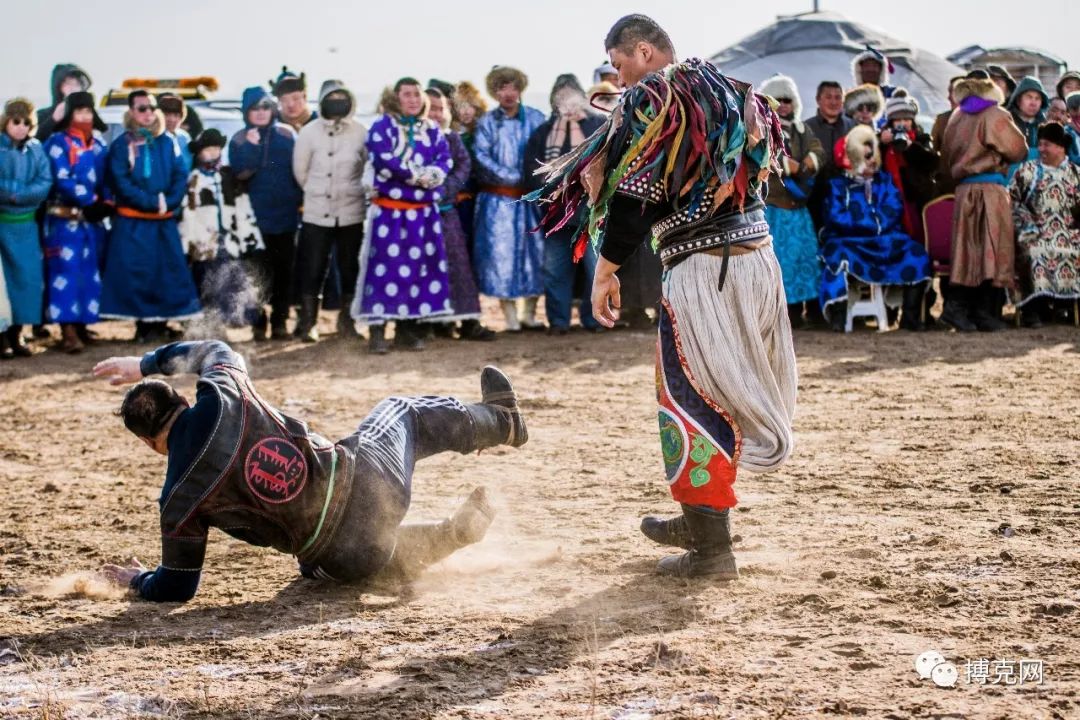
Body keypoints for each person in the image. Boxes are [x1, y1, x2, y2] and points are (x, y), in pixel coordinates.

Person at [528, 14, 796, 579]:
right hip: (754, 260)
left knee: (690, 396)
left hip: (706, 271)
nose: (617, 78)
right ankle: (701, 516)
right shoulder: (726, 88)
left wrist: (605, 271)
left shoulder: (657, 97)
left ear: (645, 51)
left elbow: (636, 194)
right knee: (715, 390)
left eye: (619, 64)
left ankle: (710, 544)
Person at [93, 340, 528, 601]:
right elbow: (213, 349)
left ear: (150, 444)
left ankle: (454, 534)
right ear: (183, 402)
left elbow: (178, 585)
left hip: (334, 557)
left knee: (364, 557)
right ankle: (502, 423)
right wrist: (146, 363)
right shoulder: (225, 391)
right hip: (366, 484)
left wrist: (139, 580)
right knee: (402, 412)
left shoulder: (177, 497)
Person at [354, 78, 453, 353]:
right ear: (396, 98)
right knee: (383, 271)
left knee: (418, 271)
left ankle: (407, 331)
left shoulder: (432, 129)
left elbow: (444, 159)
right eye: (406, 94)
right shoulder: (382, 127)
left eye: (416, 94)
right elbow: (384, 160)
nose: (412, 99)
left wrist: (431, 176)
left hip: (423, 215)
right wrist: (415, 175)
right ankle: (377, 332)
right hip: (389, 213)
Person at [101, 91, 200, 342]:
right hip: (133, 222)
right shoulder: (123, 144)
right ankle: (143, 327)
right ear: (132, 111)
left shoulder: (168, 141)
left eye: (151, 107)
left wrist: (168, 201)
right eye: (141, 108)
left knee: (167, 272)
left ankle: (162, 323)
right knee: (137, 274)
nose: (147, 113)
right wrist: (149, 202)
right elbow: (120, 181)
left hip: (163, 221)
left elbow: (180, 174)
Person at [818, 126, 931, 331]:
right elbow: (836, 217)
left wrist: (876, 226)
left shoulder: (884, 181)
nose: (872, 160)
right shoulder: (838, 186)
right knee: (836, 258)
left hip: (885, 241)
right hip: (850, 243)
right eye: (866, 155)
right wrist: (870, 226)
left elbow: (893, 209)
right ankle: (839, 317)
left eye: (874, 154)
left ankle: (910, 318)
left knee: (917, 254)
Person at [940, 74, 1028, 332]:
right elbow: (1017, 149)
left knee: (969, 252)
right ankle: (983, 312)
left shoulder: (956, 116)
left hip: (965, 189)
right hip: (990, 189)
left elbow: (946, 157)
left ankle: (960, 309)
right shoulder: (994, 114)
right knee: (993, 247)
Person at [523, 74, 605, 334]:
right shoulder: (543, 133)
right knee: (555, 271)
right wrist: (549, 196)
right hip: (555, 216)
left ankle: (595, 319)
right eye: (560, 96)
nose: (566, 101)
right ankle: (558, 321)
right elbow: (531, 172)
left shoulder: (599, 126)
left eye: (570, 94)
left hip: (592, 213)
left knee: (596, 270)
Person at [471, 66, 546, 332]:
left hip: (530, 202)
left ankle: (529, 313)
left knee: (534, 256)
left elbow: (547, 152)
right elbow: (481, 157)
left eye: (513, 86)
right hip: (497, 202)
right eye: (503, 87)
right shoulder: (487, 123)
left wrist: (534, 179)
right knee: (500, 257)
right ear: (495, 91)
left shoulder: (537, 118)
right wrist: (515, 176)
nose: (509, 93)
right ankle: (509, 316)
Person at [292, 80, 368, 343]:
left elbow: (365, 169)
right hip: (316, 212)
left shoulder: (361, 132)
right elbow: (300, 171)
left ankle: (347, 323)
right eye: (331, 97)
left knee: (350, 268)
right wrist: (317, 191)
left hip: (351, 213)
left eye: (341, 96)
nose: (336, 101)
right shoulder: (308, 132)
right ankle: (308, 323)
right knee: (313, 268)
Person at [228, 86, 303, 340]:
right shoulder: (239, 139)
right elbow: (240, 173)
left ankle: (281, 321)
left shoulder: (287, 133)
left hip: (285, 215)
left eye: (264, 107)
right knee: (256, 272)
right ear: (246, 112)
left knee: (284, 271)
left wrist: (300, 202)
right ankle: (258, 322)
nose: (260, 113)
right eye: (254, 108)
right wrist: (252, 147)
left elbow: (299, 171)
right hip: (253, 220)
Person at [41, 92, 110, 353]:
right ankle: (67, 330)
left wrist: (106, 203)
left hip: (91, 223)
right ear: (70, 115)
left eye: (88, 112)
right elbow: (61, 178)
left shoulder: (99, 145)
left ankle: (82, 324)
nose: (84, 116)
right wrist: (90, 200)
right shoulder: (57, 143)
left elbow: (108, 177)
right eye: (79, 111)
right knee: (64, 272)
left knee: (89, 273)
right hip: (63, 220)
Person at [179, 129, 265, 336]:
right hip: (205, 244)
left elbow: (242, 208)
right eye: (207, 150)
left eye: (216, 149)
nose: (212, 153)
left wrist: (250, 238)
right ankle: (213, 327)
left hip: (230, 240)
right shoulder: (194, 180)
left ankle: (258, 322)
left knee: (240, 282)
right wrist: (188, 244)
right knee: (208, 285)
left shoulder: (229, 177)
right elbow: (188, 214)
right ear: (199, 154)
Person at [425, 86, 493, 341]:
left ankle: (468, 321)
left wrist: (446, 189)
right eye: (430, 108)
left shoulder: (451, 138)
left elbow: (463, 166)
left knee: (459, 266)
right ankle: (431, 323)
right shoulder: (414, 139)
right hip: (419, 215)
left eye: (440, 108)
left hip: (447, 211)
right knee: (427, 269)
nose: (436, 113)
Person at [758, 75, 825, 329]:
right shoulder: (762, 127)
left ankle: (808, 312)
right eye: (778, 99)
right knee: (779, 264)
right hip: (774, 210)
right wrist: (788, 165)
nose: (783, 104)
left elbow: (819, 151)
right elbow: (763, 157)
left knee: (805, 261)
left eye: (787, 99)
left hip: (798, 211)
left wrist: (807, 163)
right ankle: (785, 315)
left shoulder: (801, 129)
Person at [1008, 122, 1080, 327]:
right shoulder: (1028, 171)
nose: (1041, 149)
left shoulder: (1076, 173)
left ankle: (1066, 305)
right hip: (1036, 231)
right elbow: (1012, 201)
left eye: (1046, 145)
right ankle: (1032, 309)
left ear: (1060, 147)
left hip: (1069, 231)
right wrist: (1027, 224)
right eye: (1039, 144)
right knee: (1036, 250)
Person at [0, 98, 51, 358]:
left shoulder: (36, 149)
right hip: (2, 225)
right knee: (4, 286)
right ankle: (2, 338)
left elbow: (44, 180)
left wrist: (20, 195)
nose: (20, 127)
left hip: (26, 224)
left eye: (25, 122)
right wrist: (10, 193)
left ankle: (18, 333)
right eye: (15, 121)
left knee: (28, 281)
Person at [879, 90, 939, 243]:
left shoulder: (922, 138)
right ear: (891, 122)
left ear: (913, 121)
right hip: (889, 199)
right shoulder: (883, 139)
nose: (902, 124)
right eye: (897, 120)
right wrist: (881, 143)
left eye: (907, 119)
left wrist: (911, 146)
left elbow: (933, 162)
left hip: (915, 200)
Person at [805, 80, 856, 233]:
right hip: (814, 199)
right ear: (818, 99)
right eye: (828, 97)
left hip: (847, 198)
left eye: (838, 97)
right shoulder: (805, 128)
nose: (834, 102)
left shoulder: (853, 127)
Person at [35, 64, 91, 142]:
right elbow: (27, 144)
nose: (73, 88)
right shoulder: (40, 115)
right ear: (58, 87)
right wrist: (53, 120)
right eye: (68, 83)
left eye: (77, 84)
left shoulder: (88, 118)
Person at [1006, 76, 1050, 159]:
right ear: (1018, 100)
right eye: (1029, 97)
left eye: (1037, 98)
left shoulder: (1046, 127)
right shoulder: (1007, 123)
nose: (1033, 103)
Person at [271, 67, 316, 134]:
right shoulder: (272, 126)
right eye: (284, 100)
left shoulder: (319, 122)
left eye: (296, 98)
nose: (290, 104)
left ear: (304, 97)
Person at [158, 93, 192, 171]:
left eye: (176, 115)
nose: (172, 119)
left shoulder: (184, 137)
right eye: (167, 114)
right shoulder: (154, 136)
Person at [1065, 93, 1080, 164]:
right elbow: (1069, 157)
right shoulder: (1066, 132)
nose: (1079, 113)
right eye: (1074, 109)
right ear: (1068, 112)